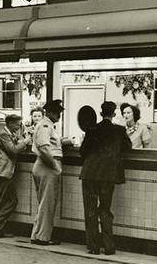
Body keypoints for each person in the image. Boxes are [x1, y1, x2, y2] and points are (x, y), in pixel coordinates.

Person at [80, 101, 132, 255]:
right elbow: (128, 147)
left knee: (90, 210)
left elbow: (83, 151)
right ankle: (109, 247)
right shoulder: (119, 130)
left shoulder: (92, 129)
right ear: (114, 114)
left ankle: (93, 246)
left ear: (101, 113)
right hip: (108, 175)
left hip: (90, 173)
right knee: (105, 209)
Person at [31, 99, 72, 246]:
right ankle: (43, 237)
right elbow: (43, 147)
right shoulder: (45, 125)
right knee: (47, 203)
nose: (59, 115)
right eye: (57, 112)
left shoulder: (47, 125)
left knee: (44, 203)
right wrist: (55, 166)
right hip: (47, 166)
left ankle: (37, 235)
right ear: (49, 112)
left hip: (43, 166)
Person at [0, 114, 31, 238]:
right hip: (2, 171)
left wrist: (21, 139)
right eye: (17, 124)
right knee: (3, 201)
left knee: (9, 200)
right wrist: (25, 142)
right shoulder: (3, 134)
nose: (18, 127)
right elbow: (13, 150)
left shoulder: (9, 134)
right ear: (10, 123)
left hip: (6, 172)